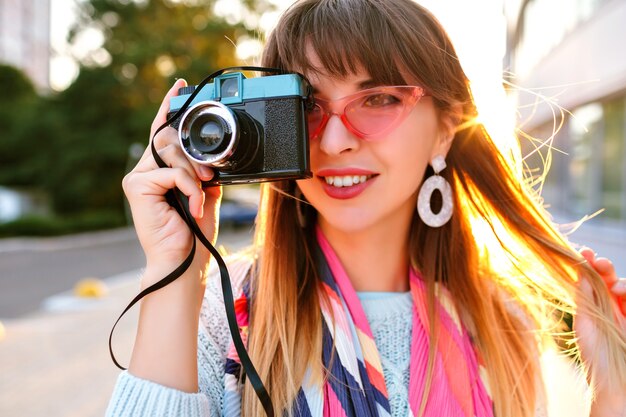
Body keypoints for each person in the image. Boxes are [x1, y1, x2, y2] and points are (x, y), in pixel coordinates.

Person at [106, 0, 626, 416]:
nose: (334, 140)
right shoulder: (227, 316)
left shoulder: (500, 320)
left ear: (447, 129)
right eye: (306, 106)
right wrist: (177, 272)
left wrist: (613, 393)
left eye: (378, 99)